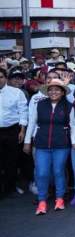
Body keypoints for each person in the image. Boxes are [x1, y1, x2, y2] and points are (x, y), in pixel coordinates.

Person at [23, 79, 73, 215]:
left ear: (62, 92)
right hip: (41, 143)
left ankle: (59, 198)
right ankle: (42, 201)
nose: (53, 92)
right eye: (51, 89)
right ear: (47, 92)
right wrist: (27, 141)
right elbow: (32, 123)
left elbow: (73, 126)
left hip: (62, 144)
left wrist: (73, 142)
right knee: (42, 173)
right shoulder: (40, 104)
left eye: (57, 89)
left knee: (58, 171)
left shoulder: (69, 106)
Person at [0, 67, 28, 197]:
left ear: (6, 78)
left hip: (12, 130)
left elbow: (23, 112)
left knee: (11, 160)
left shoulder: (16, 92)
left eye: (1, 77)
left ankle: (10, 188)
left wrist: (22, 130)